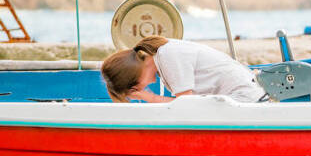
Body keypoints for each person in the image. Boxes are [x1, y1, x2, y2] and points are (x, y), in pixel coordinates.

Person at [101, 36, 265, 103]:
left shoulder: (167, 57)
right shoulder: (163, 58)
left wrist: (150, 98)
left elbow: (187, 107)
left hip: (245, 99)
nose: (139, 91)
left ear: (133, 78)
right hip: (244, 98)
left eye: (133, 90)